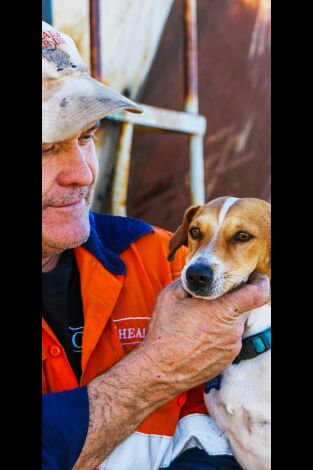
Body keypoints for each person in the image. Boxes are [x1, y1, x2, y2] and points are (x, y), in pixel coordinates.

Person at [42, 21, 269, 470]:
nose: (85, 173)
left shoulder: (158, 259)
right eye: (46, 148)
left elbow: (212, 435)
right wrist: (155, 372)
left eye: (87, 136)